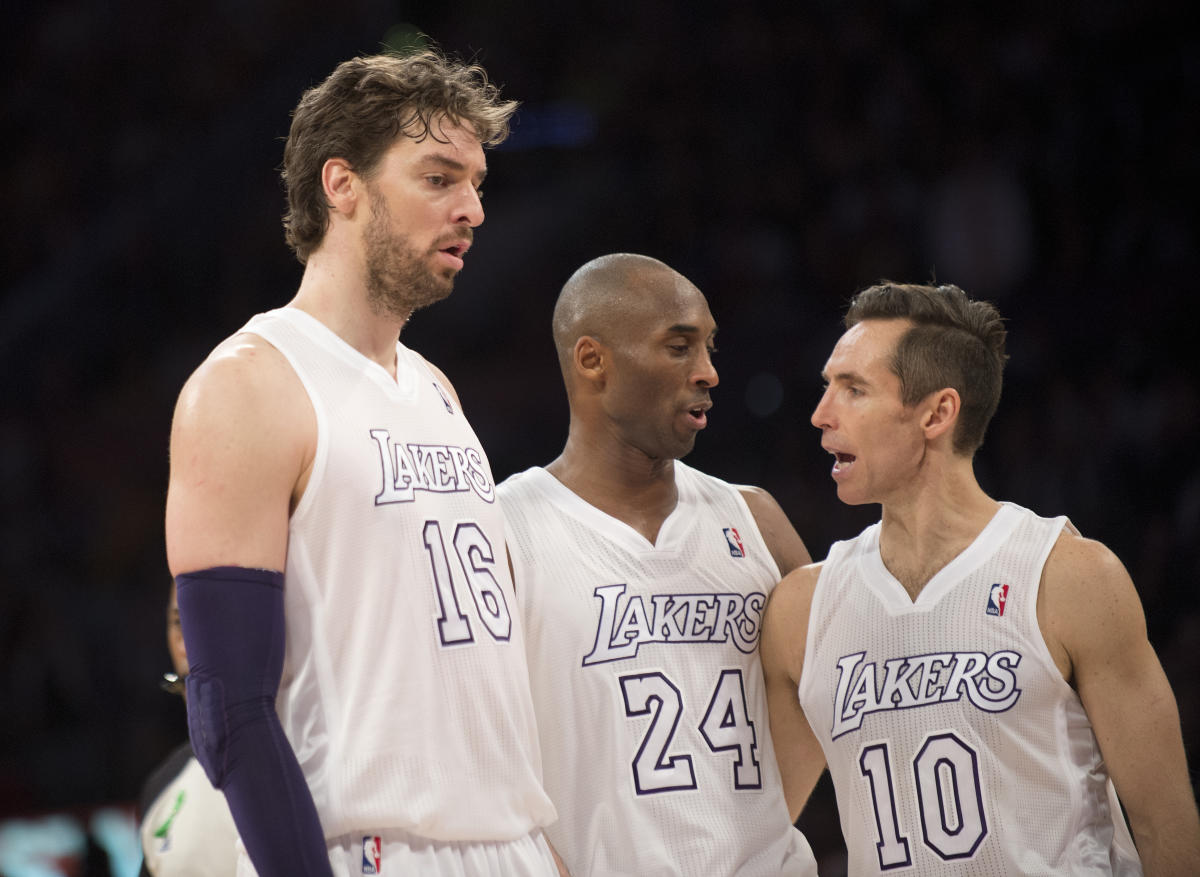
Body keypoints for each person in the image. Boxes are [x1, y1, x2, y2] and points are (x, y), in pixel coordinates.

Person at [164, 50, 559, 877]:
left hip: (509, 841)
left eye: (478, 183)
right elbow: (226, 707)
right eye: (439, 178)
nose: (474, 209)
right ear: (341, 184)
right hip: (368, 849)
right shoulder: (249, 386)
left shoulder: (437, 389)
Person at [761, 281, 1200, 874]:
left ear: (937, 413)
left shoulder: (1069, 577)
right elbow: (760, 828)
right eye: (826, 386)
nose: (820, 414)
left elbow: (1164, 825)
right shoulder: (802, 608)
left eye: (854, 390)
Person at [498, 253, 819, 876]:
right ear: (593, 360)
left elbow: (832, 701)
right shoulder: (503, 530)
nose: (709, 373)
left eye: (709, 347)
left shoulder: (755, 520)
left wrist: (768, 829)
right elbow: (471, 748)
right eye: (679, 347)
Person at [137, 581, 239, 876]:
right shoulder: (163, 787)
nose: (186, 645)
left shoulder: (305, 761)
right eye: (179, 623)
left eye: (204, 619)